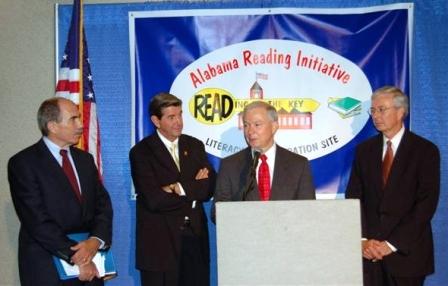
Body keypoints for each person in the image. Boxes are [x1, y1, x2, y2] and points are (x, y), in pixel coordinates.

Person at [7, 97, 113, 286]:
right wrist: (76, 257)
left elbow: (102, 206)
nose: (80, 124)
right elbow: (36, 220)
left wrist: (95, 242)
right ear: (52, 126)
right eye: (73, 119)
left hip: (90, 263)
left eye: (79, 118)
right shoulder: (23, 163)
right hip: (47, 265)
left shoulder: (85, 160)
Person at [345, 86, 440, 286]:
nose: (375, 116)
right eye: (373, 110)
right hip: (369, 256)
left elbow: (426, 204)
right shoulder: (364, 151)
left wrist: (391, 244)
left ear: (400, 112)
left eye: (382, 109)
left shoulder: (425, 151)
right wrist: (362, 241)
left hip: (407, 256)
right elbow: (354, 198)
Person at [129, 92, 215, 286]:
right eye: (171, 117)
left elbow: (209, 187)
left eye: (180, 115)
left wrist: (178, 188)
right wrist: (193, 190)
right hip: (160, 247)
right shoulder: (141, 153)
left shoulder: (194, 146)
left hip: (194, 241)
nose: (179, 122)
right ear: (156, 121)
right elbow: (155, 199)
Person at [213, 101, 315, 220]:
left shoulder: (298, 165)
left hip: (286, 235)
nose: (250, 132)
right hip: (246, 236)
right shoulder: (229, 165)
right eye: (246, 125)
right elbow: (217, 213)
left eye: (257, 124)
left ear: (274, 127)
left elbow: (308, 211)